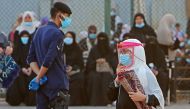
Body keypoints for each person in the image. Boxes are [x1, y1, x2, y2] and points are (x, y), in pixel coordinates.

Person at [27, 2, 72, 109]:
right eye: (67, 16)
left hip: (42, 85)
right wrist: (38, 77)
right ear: (59, 15)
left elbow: (31, 59)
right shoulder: (57, 33)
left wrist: (39, 76)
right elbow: (48, 60)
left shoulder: (39, 31)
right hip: (57, 84)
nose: (68, 20)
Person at [108, 39, 164, 109]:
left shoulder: (146, 73)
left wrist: (145, 98)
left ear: (136, 53)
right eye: (121, 52)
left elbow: (159, 99)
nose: (122, 55)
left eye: (125, 52)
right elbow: (110, 97)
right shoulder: (120, 71)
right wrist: (117, 81)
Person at [6, 30, 36, 106]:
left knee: (34, 77)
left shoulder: (33, 49)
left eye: (26, 37)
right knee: (16, 76)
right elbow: (14, 62)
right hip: (19, 69)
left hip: (31, 69)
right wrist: (22, 69)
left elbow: (36, 60)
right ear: (20, 38)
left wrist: (31, 68)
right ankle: (17, 99)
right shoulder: (16, 49)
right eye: (23, 36)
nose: (25, 38)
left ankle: (30, 100)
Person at [86, 32, 117, 106]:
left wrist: (106, 60)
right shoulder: (94, 49)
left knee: (106, 78)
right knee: (94, 77)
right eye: (100, 39)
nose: (101, 40)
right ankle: (95, 102)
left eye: (103, 39)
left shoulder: (110, 50)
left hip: (107, 70)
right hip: (94, 70)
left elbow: (113, 62)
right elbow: (89, 63)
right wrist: (96, 61)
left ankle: (107, 101)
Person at [63, 31, 86, 105]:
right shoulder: (61, 48)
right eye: (66, 37)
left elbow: (80, 64)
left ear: (73, 38)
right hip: (62, 71)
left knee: (79, 79)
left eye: (70, 37)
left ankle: (75, 103)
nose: (68, 39)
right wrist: (64, 69)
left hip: (74, 72)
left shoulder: (77, 49)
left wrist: (72, 68)